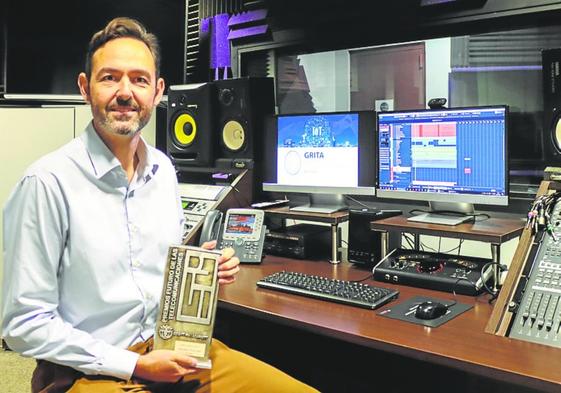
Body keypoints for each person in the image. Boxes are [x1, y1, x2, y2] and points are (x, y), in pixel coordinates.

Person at [1, 17, 319, 393]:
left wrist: (201, 272)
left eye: (139, 79)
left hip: (175, 354)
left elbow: (158, 278)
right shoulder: (47, 183)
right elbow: (23, 324)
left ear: (157, 92)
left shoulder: (164, 171)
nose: (125, 92)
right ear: (85, 88)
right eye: (109, 78)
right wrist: (134, 363)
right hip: (91, 371)